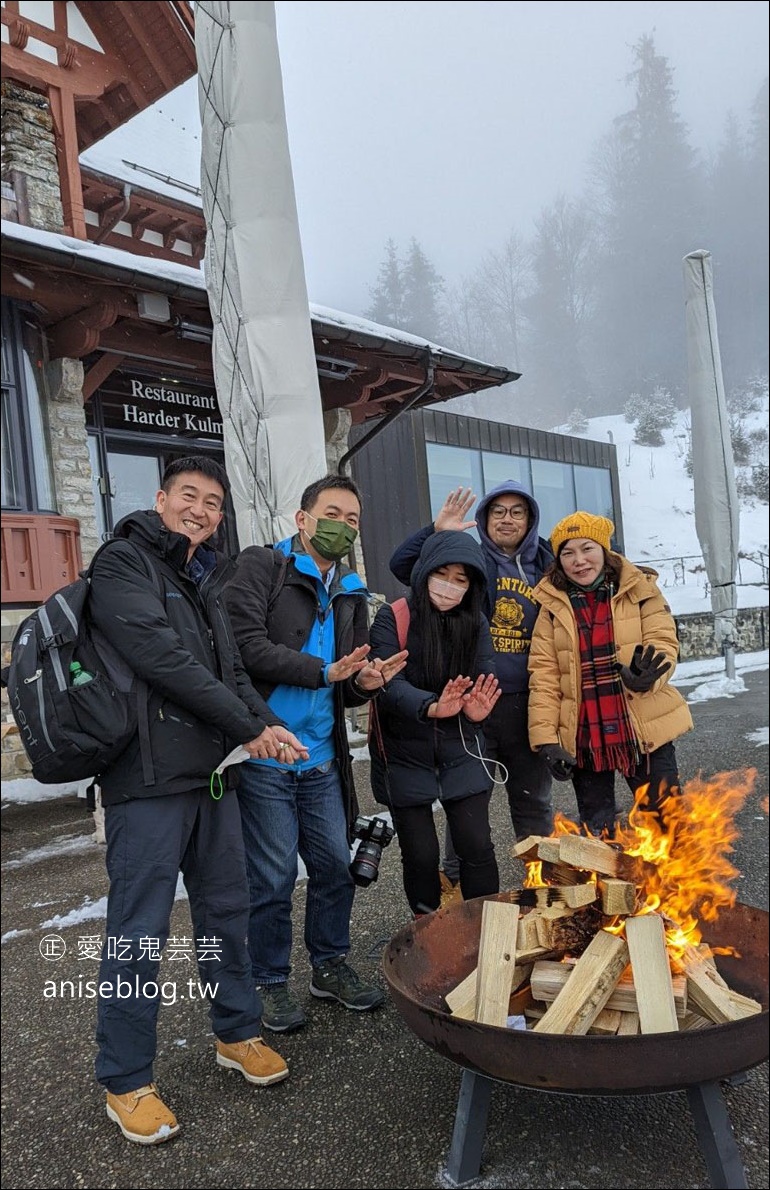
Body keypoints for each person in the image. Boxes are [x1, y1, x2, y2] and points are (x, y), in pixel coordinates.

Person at [88, 456, 308, 1146]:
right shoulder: (122, 564)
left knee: (226, 912)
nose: (202, 510)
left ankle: (236, 1032)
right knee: (139, 930)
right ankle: (125, 1079)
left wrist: (266, 726)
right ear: (160, 500)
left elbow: (232, 671)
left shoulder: (205, 576)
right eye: (189, 496)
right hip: (146, 782)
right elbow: (163, 661)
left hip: (215, 777)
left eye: (213, 502)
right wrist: (249, 725)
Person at [224, 474, 407, 1034]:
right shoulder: (262, 567)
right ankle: (270, 980)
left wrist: (367, 682)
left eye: (352, 519)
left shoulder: (350, 589)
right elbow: (243, 647)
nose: (342, 526)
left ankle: (328, 964)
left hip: (324, 758)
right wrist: (323, 671)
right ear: (302, 519)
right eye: (332, 514)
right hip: (267, 752)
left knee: (334, 867)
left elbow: (343, 684)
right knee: (275, 874)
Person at [390, 483, 554, 858]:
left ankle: (544, 886)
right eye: (498, 511)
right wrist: (437, 531)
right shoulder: (469, 560)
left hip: (532, 704)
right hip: (473, 704)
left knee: (534, 804)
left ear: (530, 520)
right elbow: (402, 566)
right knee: (467, 802)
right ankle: (458, 886)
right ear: (484, 519)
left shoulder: (548, 564)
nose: (507, 519)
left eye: (517, 511)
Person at [528, 511, 694, 836]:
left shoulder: (640, 589)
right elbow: (544, 678)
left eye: (587, 548)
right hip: (585, 731)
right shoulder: (550, 609)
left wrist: (648, 675)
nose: (579, 561)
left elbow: (662, 639)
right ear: (558, 560)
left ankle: (678, 885)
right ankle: (610, 885)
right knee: (598, 829)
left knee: (666, 821)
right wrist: (547, 740)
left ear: (604, 550)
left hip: (641, 724)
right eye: (568, 553)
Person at [369, 531, 501, 915]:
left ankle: (484, 924)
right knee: (421, 855)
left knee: (476, 844)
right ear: (424, 572)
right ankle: (427, 927)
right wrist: (430, 706)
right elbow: (387, 684)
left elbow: (484, 677)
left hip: (460, 747)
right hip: (404, 753)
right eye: (442, 573)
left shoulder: (475, 621)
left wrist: (477, 711)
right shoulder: (393, 616)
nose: (449, 585)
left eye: (461, 579)